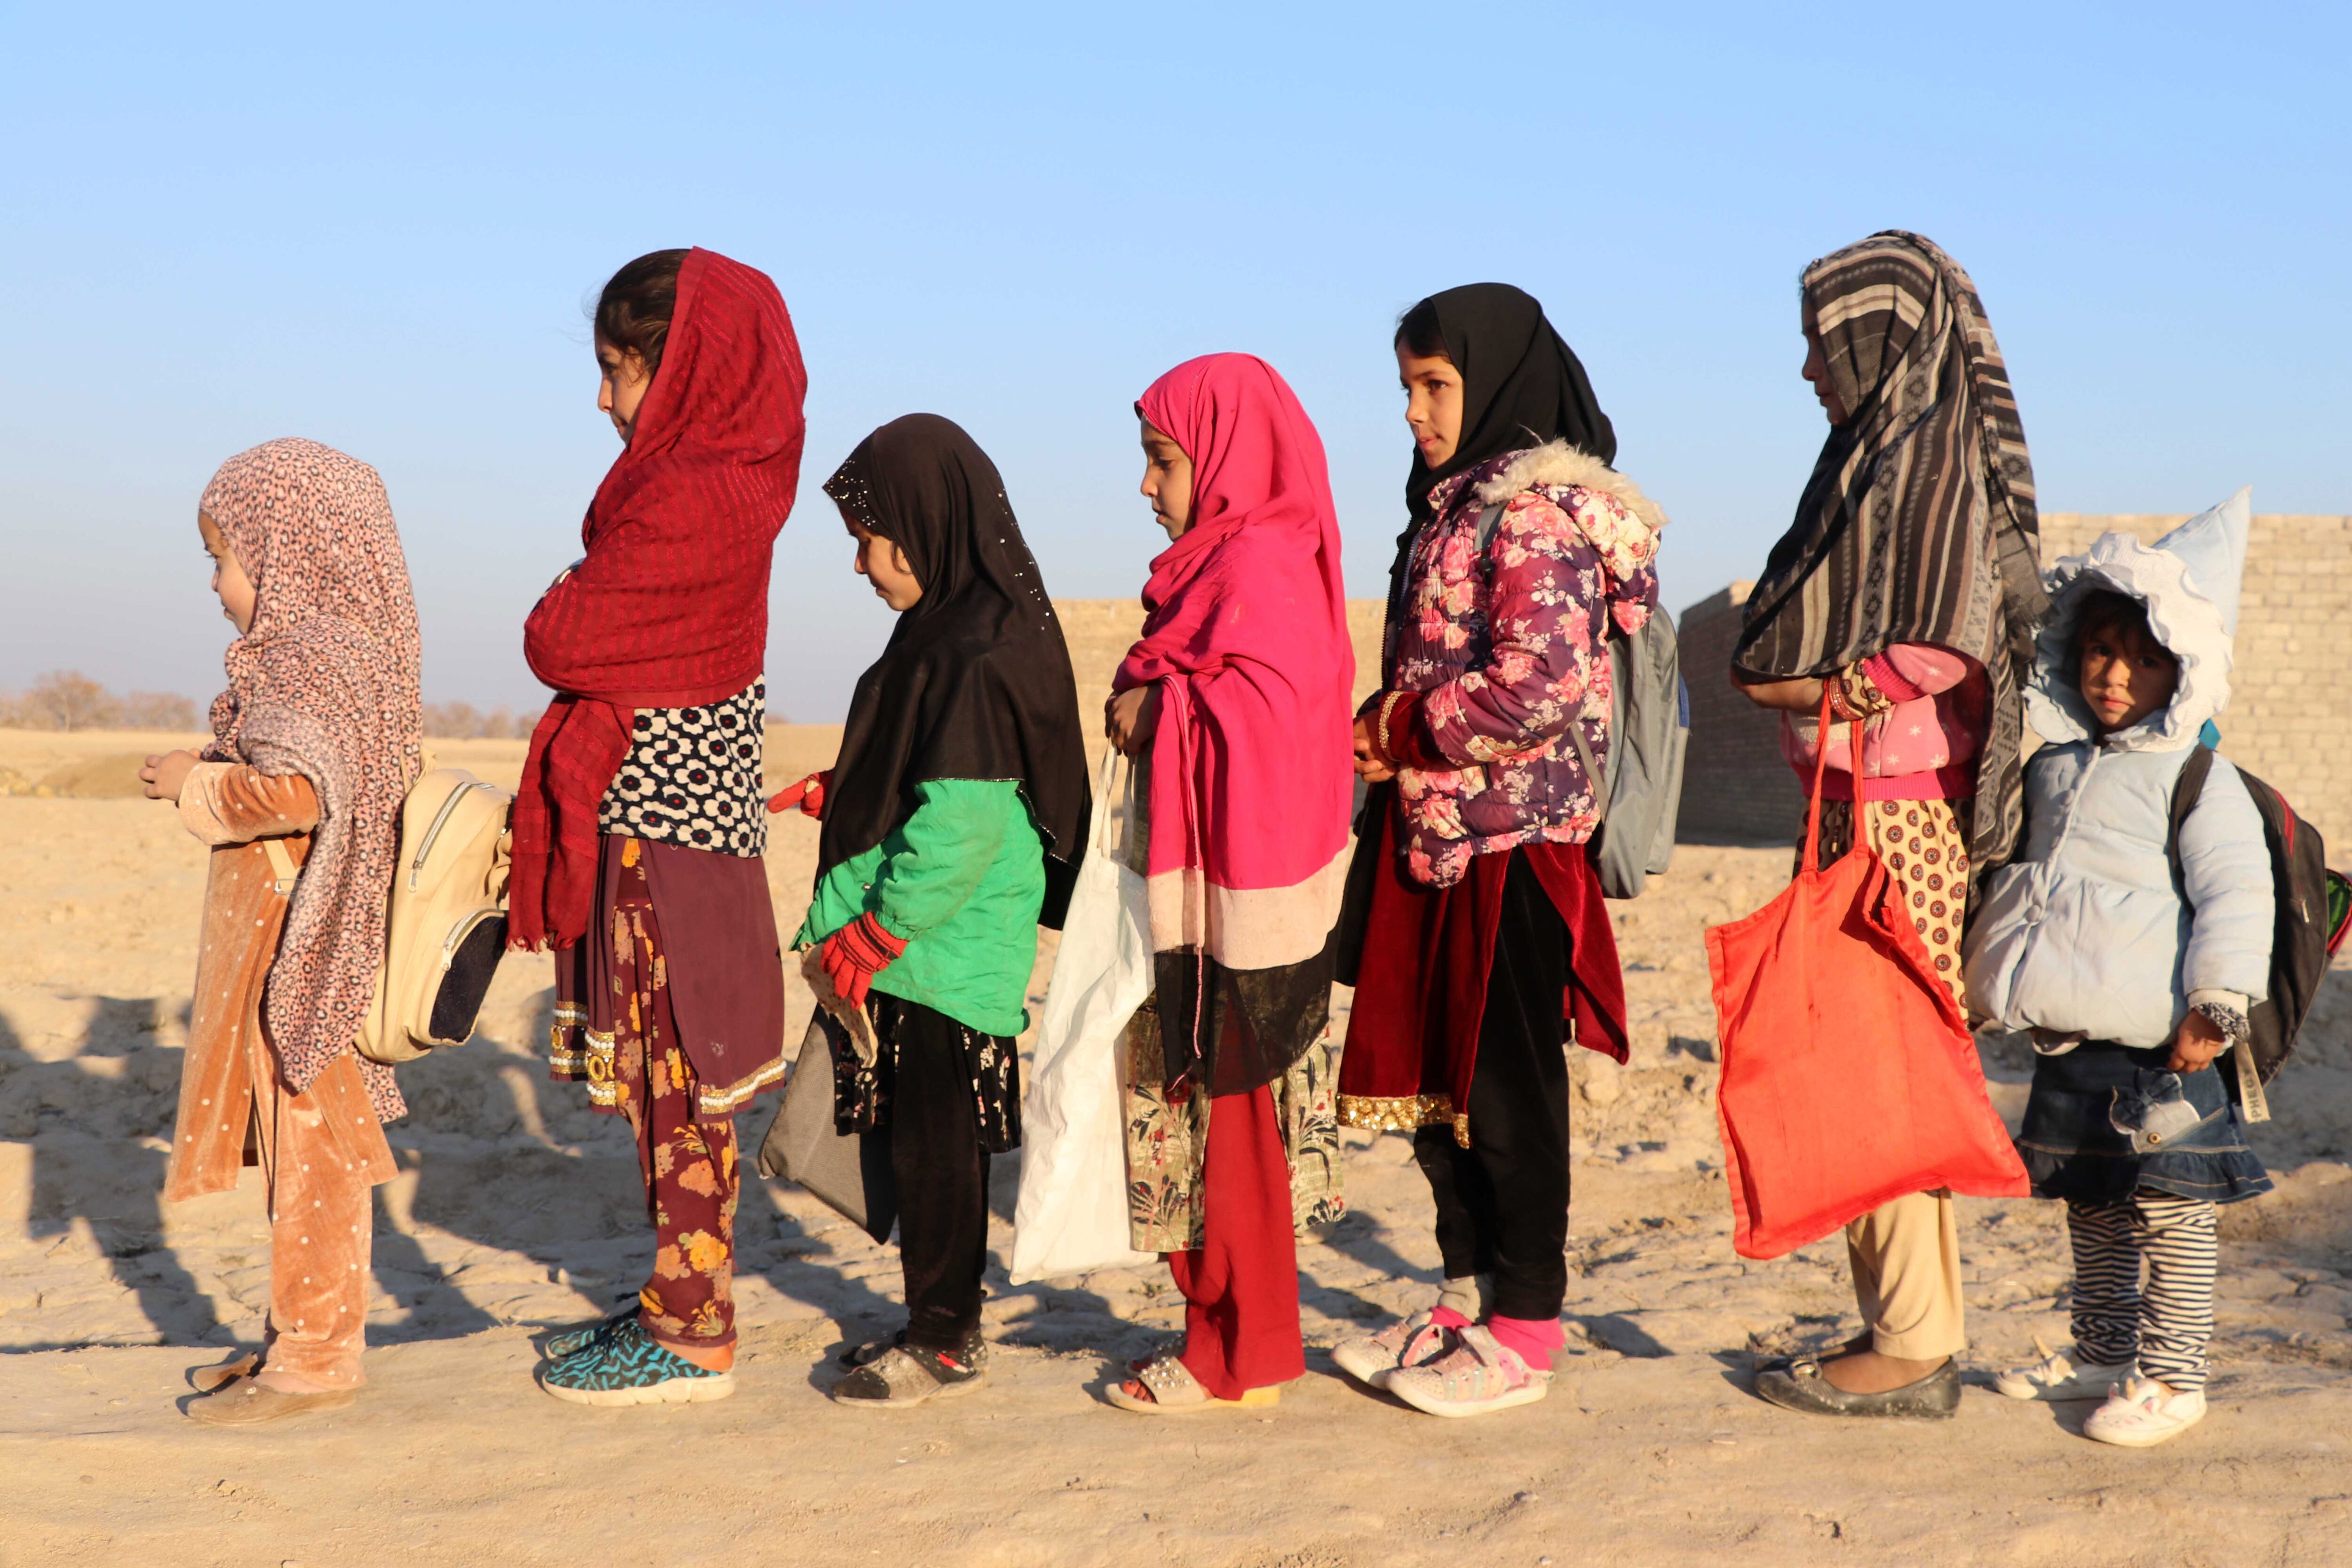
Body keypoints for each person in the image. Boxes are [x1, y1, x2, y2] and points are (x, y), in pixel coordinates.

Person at [1332, 284, 1660, 1418]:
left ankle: (1524, 1323)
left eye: (1436, 386)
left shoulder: (1530, 513)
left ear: (1496, 378)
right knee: (1444, 1091)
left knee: (1506, 1089)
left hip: (1514, 838)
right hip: (1438, 833)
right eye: (1407, 390)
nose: (1418, 412)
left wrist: (1401, 727)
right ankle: (1465, 1297)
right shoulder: (1448, 506)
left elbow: (1543, 682)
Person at [1736, 231, 2048, 1418]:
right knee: (1855, 1065)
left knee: (1883, 1074)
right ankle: (1903, 1325)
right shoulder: (1868, 471)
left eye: (1824, 345)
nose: (1810, 371)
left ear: (1877, 343)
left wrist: (1818, 685)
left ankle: (1914, 1344)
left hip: (1899, 817)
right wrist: (1806, 678)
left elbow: (1935, 638)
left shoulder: (1928, 482)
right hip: (1849, 808)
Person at [523, 247, 805, 1406]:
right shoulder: (712, 481)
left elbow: (558, 637)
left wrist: (569, 605)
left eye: (617, 370)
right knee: (661, 1087)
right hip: (667, 830)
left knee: (685, 1087)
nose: (602, 399)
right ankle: (670, 1299)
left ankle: (695, 1332)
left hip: (672, 839)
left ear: (679, 366)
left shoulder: (698, 494)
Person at [789, 414, 1090, 1408]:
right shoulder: (946, 632)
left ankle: (947, 1335)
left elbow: (959, 823)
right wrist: (852, 785)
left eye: (869, 538)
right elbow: (923, 774)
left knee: (938, 1149)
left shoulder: (973, 647)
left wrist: (878, 931)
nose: (864, 563)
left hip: (941, 949)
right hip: (925, 948)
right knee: (918, 1145)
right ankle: (931, 1316)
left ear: (923, 524)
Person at [1968, 493, 2272, 1448]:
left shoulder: (2196, 776)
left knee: (2172, 1210)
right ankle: (2100, 1349)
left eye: (2142, 657)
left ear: (2180, 670)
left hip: (2162, 1047)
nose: (2113, 673)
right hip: (2071, 1036)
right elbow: (2025, 883)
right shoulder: (2053, 767)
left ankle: (2174, 1376)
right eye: (2100, 649)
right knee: (2091, 1204)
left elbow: (2235, 892)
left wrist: (2213, 1009)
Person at [146, 438, 425, 1425]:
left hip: (307, 944)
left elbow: (300, 791)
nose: (217, 585)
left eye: (224, 560)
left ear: (289, 551)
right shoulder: (339, 654)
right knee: (302, 1140)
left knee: (314, 1145)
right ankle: (295, 1334)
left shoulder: (317, 658)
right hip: (298, 938)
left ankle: (314, 1354)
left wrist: (199, 782)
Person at [1099, 353, 1356, 1414]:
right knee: (1208, 1120)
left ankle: (1242, 1353)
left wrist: (1159, 709)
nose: (1148, 488)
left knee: (1235, 1125)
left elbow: (1275, 714)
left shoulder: (1258, 564)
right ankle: (1222, 1336)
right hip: (1202, 895)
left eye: (1162, 461)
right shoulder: (1225, 565)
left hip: (1239, 909)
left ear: (1223, 458)